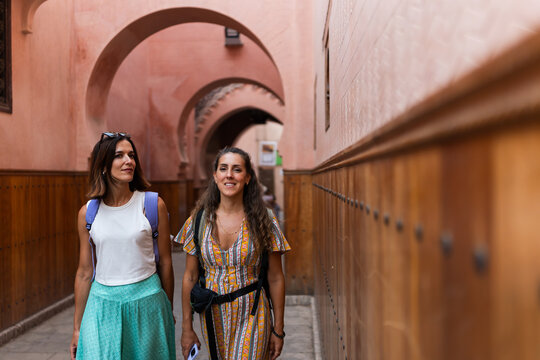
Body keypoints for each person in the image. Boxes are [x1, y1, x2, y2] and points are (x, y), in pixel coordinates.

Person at [176, 147, 291, 360]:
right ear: (215, 176)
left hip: (252, 312)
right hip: (212, 315)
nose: (229, 174)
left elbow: (275, 277)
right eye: (223, 169)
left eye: (237, 169)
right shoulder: (198, 221)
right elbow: (190, 276)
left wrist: (278, 328)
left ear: (247, 178)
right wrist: (186, 328)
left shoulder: (264, 220)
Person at [70, 132, 176, 359]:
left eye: (131, 155)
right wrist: (77, 328)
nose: (129, 161)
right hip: (101, 306)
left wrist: (167, 309)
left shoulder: (152, 205)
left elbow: (166, 263)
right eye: (119, 156)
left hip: (147, 303)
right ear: (104, 166)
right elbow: (84, 272)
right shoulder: (87, 213)